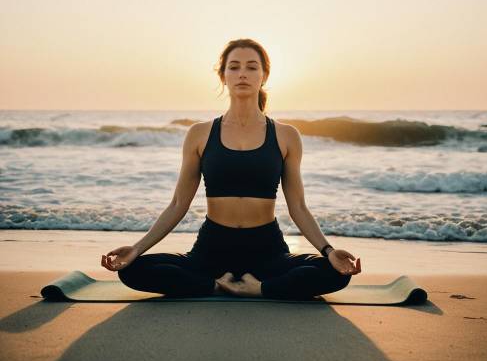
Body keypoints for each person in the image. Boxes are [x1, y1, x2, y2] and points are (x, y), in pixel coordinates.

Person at [101, 38, 362, 300]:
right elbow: (178, 203)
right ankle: (216, 285)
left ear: (264, 75)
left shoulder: (286, 135)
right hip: (212, 249)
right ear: (223, 75)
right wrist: (136, 249)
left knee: (336, 273)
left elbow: (299, 207)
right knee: (132, 270)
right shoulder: (199, 133)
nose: (242, 74)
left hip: (267, 250)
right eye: (234, 67)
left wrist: (329, 251)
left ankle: (257, 288)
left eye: (251, 67)